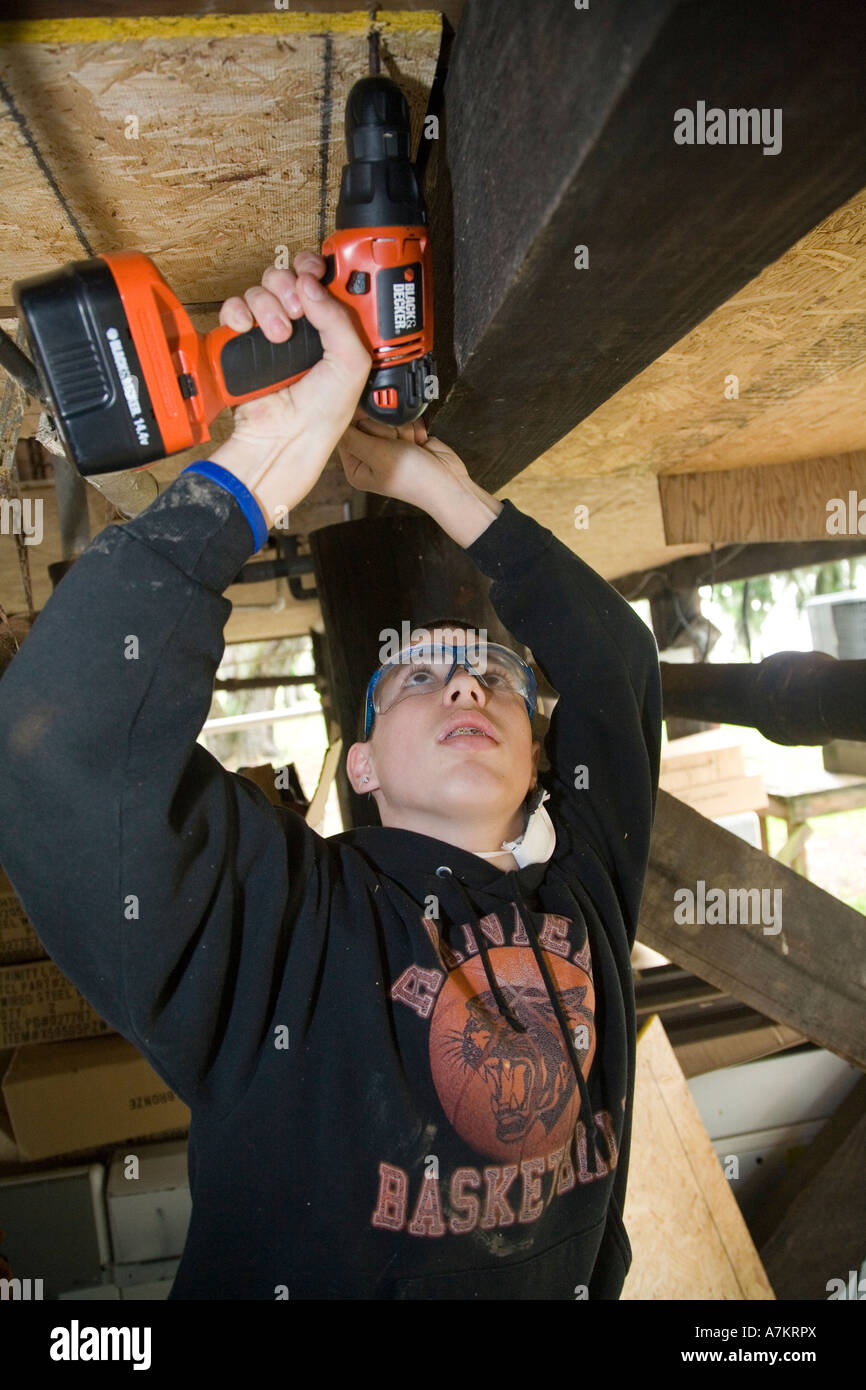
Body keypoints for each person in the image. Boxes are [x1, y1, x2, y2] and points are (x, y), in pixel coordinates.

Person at [0, 251, 661, 1300]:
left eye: (488, 672)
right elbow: (60, 745)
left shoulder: (582, 885)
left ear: (540, 757)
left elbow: (612, 666)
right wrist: (268, 454)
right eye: (414, 674)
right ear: (358, 764)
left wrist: (429, 484)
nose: (460, 685)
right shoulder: (287, 928)